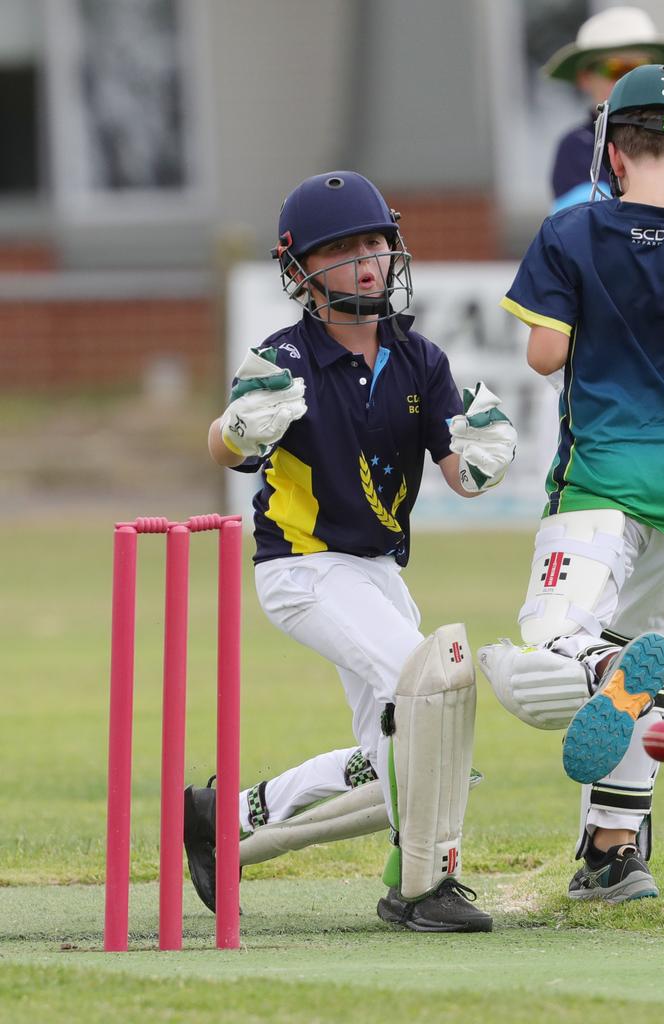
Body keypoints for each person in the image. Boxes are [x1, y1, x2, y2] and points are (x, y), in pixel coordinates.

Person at [184, 171, 517, 932]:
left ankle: (221, 816)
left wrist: (484, 457)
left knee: (401, 759)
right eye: (340, 250)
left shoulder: (420, 358)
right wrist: (239, 429)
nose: (365, 261)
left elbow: (461, 476)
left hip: (374, 573)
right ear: (299, 270)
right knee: (433, 692)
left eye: (374, 242)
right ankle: (425, 887)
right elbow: (222, 446)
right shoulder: (285, 355)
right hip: (301, 569)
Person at [479, 65, 664, 903]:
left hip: (601, 482)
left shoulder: (570, 233)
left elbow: (544, 356)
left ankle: (604, 666)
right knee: (648, 659)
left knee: (542, 653)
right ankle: (612, 853)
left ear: (609, 147)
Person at [544, 8, 664, 707]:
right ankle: (593, 656)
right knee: (602, 522)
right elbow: (586, 234)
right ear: (587, 78)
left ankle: (646, 658)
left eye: (633, 66)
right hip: (610, 359)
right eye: (609, 69)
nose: (620, 80)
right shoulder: (573, 150)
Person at [545, 6, 664, 212]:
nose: (630, 81)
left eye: (640, 69)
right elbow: (588, 225)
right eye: (615, 69)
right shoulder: (576, 147)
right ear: (585, 78)